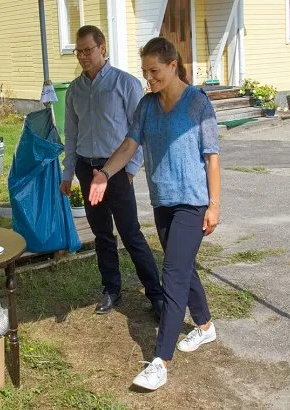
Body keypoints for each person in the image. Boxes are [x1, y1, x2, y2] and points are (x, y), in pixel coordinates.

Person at [88, 37, 221, 390]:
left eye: (155, 71)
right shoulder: (147, 105)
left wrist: (215, 206)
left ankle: (160, 360)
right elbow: (129, 144)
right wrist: (104, 173)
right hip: (163, 202)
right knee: (183, 266)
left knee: (173, 273)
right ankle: (205, 327)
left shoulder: (198, 104)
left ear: (173, 65)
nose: (149, 78)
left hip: (193, 202)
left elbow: (212, 157)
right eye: (145, 71)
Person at [60, 25, 163, 316]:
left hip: (115, 170)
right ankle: (111, 289)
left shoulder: (125, 84)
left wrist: (129, 170)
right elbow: (71, 134)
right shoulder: (74, 90)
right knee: (102, 233)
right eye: (78, 51)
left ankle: (156, 294)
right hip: (86, 168)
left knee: (130, 233)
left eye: (88, 50)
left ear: (102, 49)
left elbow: (140, 132)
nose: (83, 56)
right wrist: (68, 174)